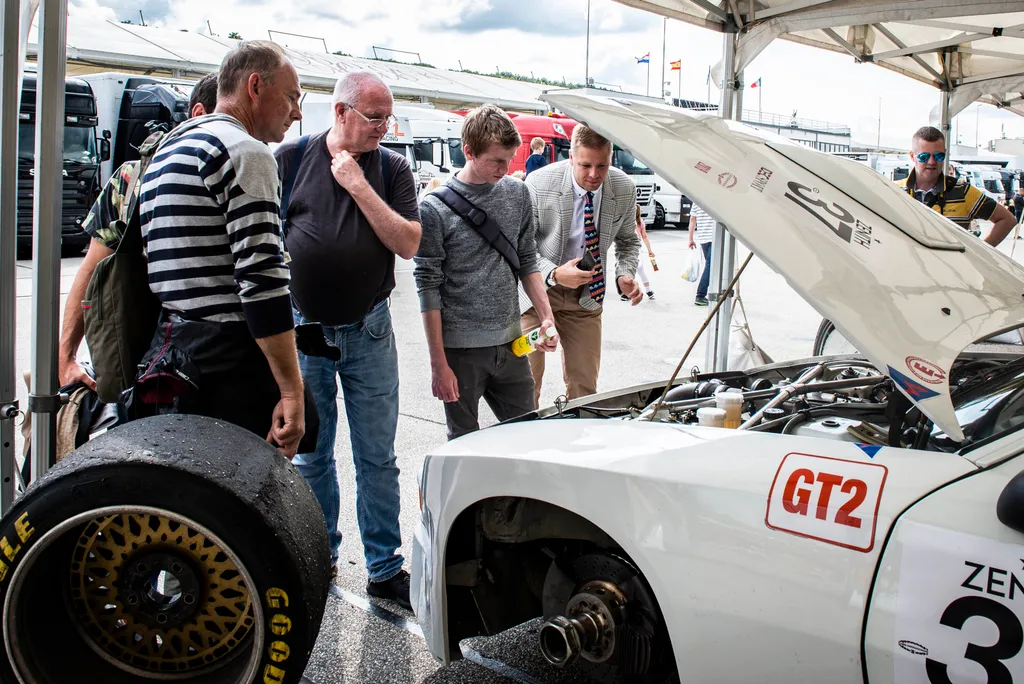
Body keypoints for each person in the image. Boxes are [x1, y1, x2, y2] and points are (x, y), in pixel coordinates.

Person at [274, 71, 421, 607]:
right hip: (304, 330)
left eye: (388, 117)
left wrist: (358, 186)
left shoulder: (392, 168)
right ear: (340, 113)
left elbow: (408, 242)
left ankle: (385, 567)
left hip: (369, 329)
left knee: (376, 456)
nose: (384, 127)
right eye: (374, 117)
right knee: (313, 456)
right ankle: (321, 556)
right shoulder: (288, 160)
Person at [136, 42, 308, 457]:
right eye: (292, 97)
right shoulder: (245, 152)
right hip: (227, 367)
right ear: (254, 87)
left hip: (171, 350)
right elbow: (262, 280)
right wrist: (291, 391)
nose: (298, 112)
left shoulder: (169, 149)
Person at [58, 72, 220, 390]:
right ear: (199, 114)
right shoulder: (133, 178)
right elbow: (94, 268)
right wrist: (65, 359)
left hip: (217, 360)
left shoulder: (245, 177)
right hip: (143, 350)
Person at [415, 104, 557, 440]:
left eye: (510, 159)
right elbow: (428, 287)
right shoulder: (433, 208)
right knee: (465, 446)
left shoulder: (517, 192)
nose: (505, 169)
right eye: (496, 160)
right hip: (460, 353)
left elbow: (527, 260)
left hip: (512, 344)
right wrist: (439, 364)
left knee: (526, 438)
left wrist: (546, 316)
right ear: (469, 151)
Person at [521, 123, 641, 404]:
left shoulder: (624, 188)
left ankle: (576, 442)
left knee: (585, 390)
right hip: (537, 293)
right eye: (586, 165)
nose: (594, 174)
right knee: (524, 386)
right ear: (571, 158)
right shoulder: (539, 184)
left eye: (603, 166)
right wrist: (555, 274)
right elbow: (521, 247)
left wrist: (625, 274)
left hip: (587, 298)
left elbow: (628, 240)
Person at [897, 126, 1016, 246]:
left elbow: (1008, 220)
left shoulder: (963, 191)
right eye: (924, 157)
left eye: (938, 156)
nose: (932, 162)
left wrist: (979, 255)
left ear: (945, 154)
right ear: (912, 156)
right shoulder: (894, 190)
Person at [623, 204, 655, 301]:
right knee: (640, 270)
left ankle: (628, 293)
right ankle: (649, 291)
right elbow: (644, 237)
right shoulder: (640, 221)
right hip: (637, 248)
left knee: (630, 269)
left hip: (628, 248)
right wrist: (650, 250)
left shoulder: (626, 221)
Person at [688, 202, 714, 306]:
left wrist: (690, 238)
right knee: (711, 266)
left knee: (711, 266)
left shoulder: (697, 200)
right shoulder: (714, 198)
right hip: (714, 236)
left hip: (703, 238)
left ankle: (711, 292)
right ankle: (700, 295)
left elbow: (692, 219)